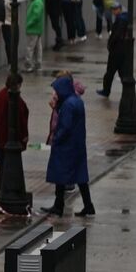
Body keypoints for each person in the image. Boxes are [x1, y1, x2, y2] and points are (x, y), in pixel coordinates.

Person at [45, 76, 95, 217]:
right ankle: (88, 205)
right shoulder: (77, 101)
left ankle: (58, 205)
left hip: (66, 146)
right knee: (80, 176)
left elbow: (65, 126)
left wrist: (56, 139)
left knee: (60, 175)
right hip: (77, 144)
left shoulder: (67, 105)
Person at [0, 70, 29, 168]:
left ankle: (2, 183)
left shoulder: (0, 95)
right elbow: (21, 118)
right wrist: (24, 135)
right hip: (9, 138)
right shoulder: (14, 99)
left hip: (0, 136)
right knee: (9, 165)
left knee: (2, 166)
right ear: (17, 84)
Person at [97, 8, 133, 98]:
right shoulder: (125, 18)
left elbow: (116, 35)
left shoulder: (120, 20)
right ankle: (127, 91)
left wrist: (110, 44)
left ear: (119, 10)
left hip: (116, 51)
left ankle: (106, 91)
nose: (113, 11)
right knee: (122, 73)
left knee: (110, 72)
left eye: (114, 9)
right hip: (123, 50)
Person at [23, 0, 47, 73]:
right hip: (37, 29)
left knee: (30, 48)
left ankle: (28, 65)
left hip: (33, 29)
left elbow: (36, 15)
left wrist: (29, 23)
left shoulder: (36, 3)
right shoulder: (37, 1)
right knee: (38, 48)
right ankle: (38, 64)